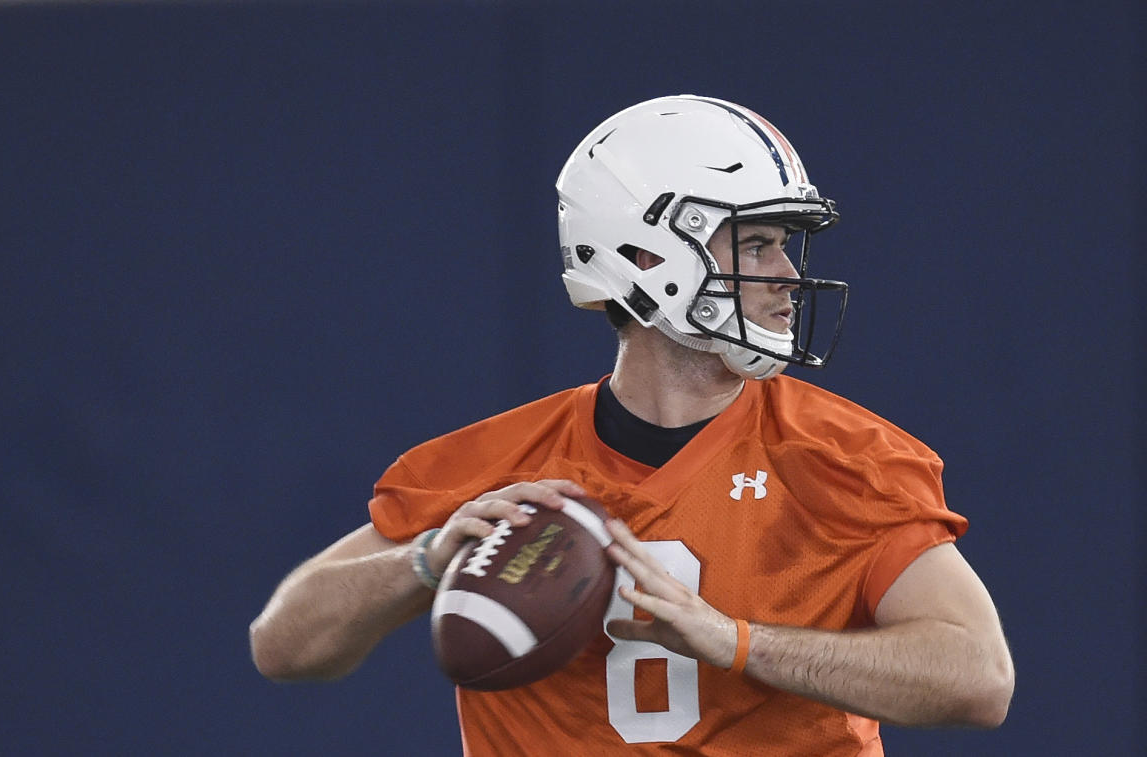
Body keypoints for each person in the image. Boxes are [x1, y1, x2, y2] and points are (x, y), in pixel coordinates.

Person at [250, 95, 1015, 755]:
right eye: (756, 243)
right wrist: (425, 559)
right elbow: (282, 645)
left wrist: (736, 642)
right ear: (647, 255)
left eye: (784, 243)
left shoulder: (843, 457)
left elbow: (977, 675)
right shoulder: (495, 469)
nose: (786, 274)